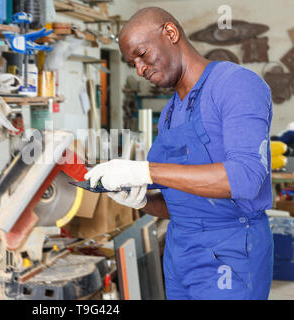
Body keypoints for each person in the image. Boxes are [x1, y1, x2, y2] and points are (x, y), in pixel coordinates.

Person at [85, 7, 274, 300]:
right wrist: (143, 200)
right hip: (181, 254)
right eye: (131, 62)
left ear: (170, 33)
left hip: (230, 254)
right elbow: (186, 204)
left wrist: (145, 171)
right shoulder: (171, 113)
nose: (139, 69)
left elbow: (246, 178)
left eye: (142, 54)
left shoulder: (235, 85)